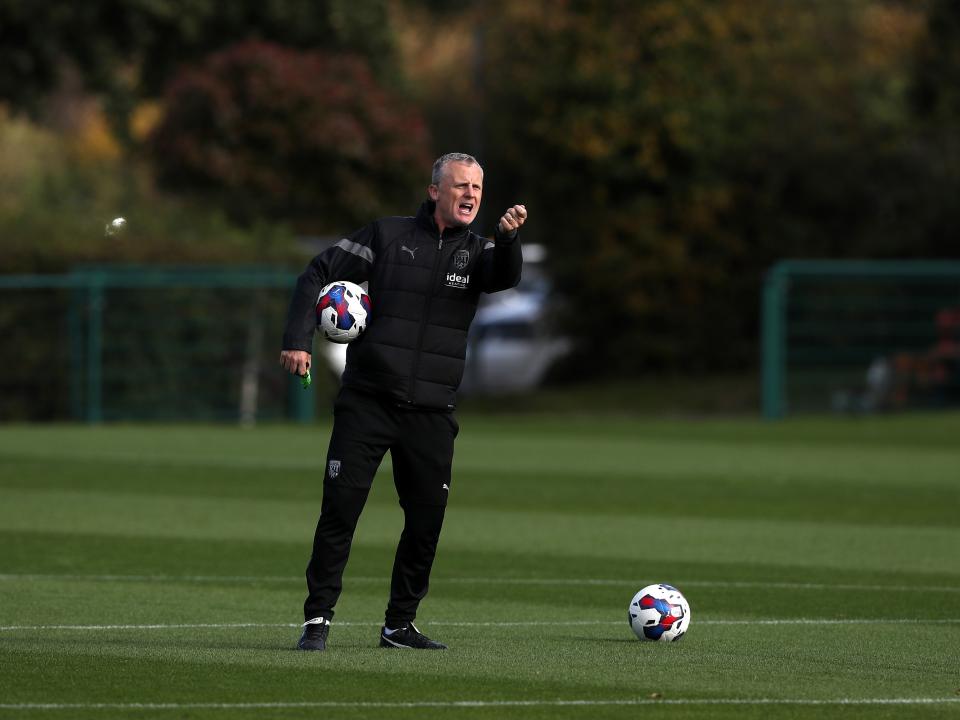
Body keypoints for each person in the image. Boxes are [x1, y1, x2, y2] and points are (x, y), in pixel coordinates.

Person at [280, 152, 526, 651]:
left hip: (432, 411)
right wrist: (298, 339)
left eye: (477, 189)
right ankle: (318, 621)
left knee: (426, 520)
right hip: (368, 401)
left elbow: (505, 276)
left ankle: (399, 625)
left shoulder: (479, 251)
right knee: (340, 512)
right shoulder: (386, 236)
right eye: (461, 186)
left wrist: (509, 239)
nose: (471, 196)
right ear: (435, 191)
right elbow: (317, 271)